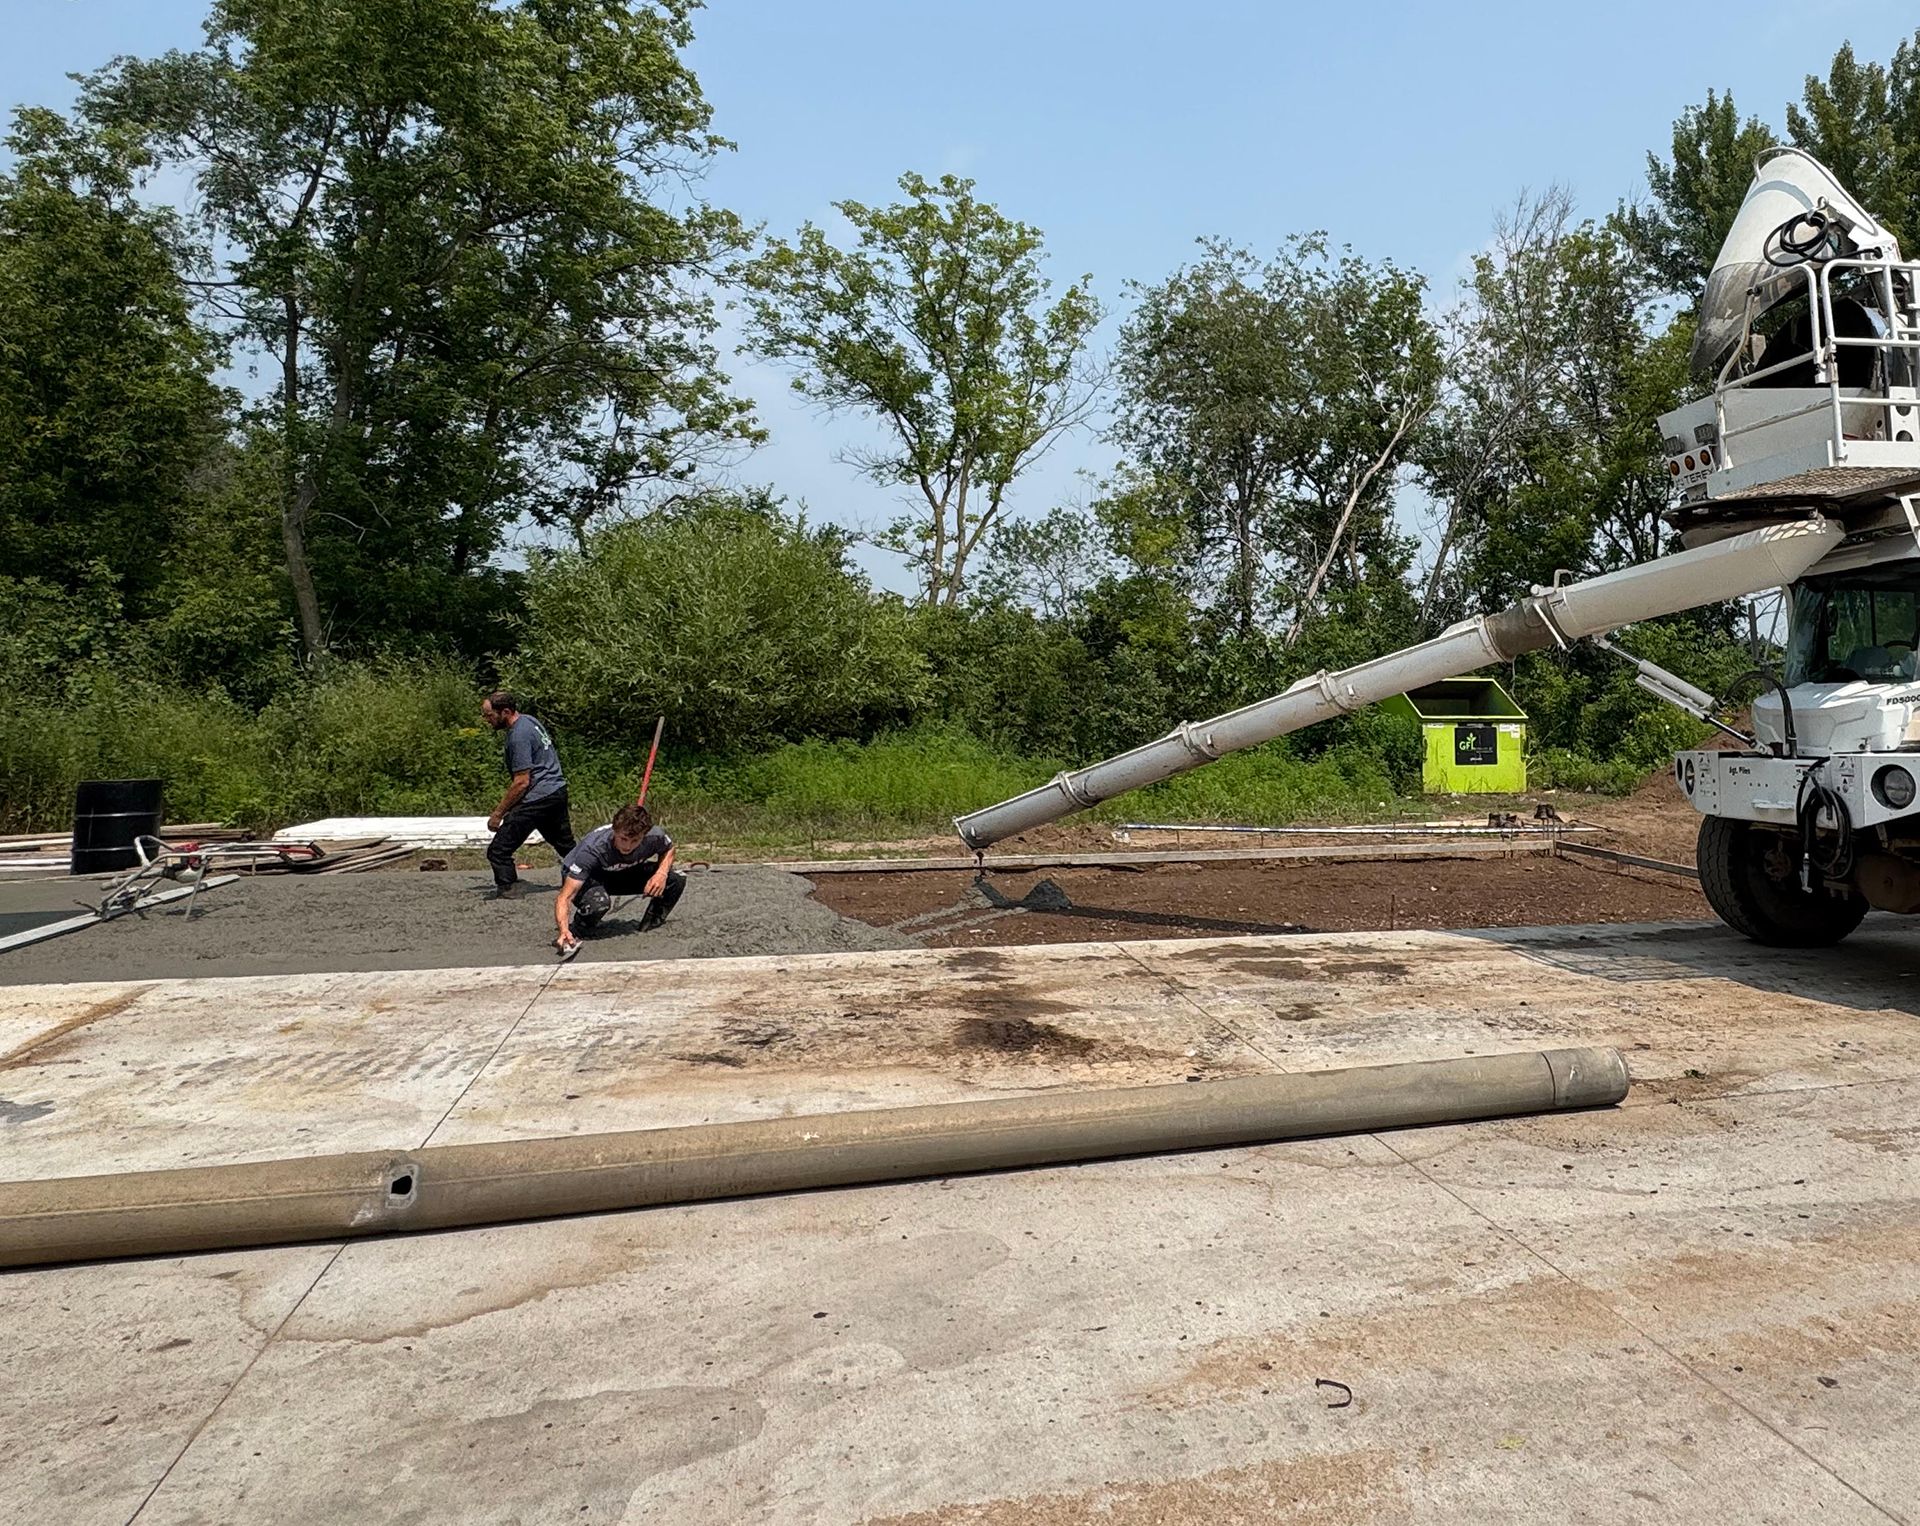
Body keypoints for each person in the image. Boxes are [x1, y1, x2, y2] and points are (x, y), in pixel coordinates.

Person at [554, 802, 685, 957]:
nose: (628, 846)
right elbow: (565, 896)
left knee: (675, 879)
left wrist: (661, 874)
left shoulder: (654, 836)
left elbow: (669, 848)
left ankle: (651, 925)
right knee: (598, 903)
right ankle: (578, 931)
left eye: (635, 840)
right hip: (590, 876)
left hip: (621, 870)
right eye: (623, 839)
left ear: (644, 835)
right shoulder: (592, 850)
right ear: (614, 831)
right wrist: (563, 929)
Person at [480, 690, 575, 899]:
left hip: (538, 797)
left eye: (489, 715)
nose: (487, 720)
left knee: (499, 850)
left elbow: (522, 782)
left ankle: (509, 888)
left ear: (505, 711)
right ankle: (588, 876)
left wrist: (498, 813)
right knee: (565, 845)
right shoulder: (530, 721)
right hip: (556, 791)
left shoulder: (518, 736)